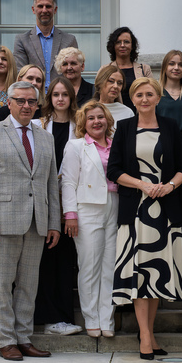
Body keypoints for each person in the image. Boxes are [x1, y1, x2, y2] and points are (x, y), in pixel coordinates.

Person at [0, 81, 60, 362]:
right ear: (8, 103)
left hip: (37, 221)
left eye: (31, 101)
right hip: (2, 221)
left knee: (28, 284)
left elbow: (50, 184)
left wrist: (54, 223)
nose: (26, 106)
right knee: (1, 283)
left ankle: (23, 338)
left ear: (37, 104)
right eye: (20, 101)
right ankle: (7, 340)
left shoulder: (46, 137)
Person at [108, 77, 182, 359]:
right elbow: (114, 170)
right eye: (139, 95)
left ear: (157, 98)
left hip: (164, 212)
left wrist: (169, 186)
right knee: (140, 276)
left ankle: (150, 334)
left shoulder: (169, 127)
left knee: (157, 276)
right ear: (133, 99)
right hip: (136, 213)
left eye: (149, 94)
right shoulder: (125, 128)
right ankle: (144, 337)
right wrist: (142, 184)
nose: (144, 99)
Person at [60, 100, 121, 339]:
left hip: (114, 205)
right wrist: (70, 215)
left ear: (108, 120)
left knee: (110, 267)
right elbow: (68, 182)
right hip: (87, 208)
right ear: (83, 123)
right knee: (89, 266)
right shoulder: (76, 146)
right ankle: (91, 318)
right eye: (91, 118)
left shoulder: (116, 145)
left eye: (100, 117)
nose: (97, 122)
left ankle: (107, 318)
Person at [34, 76, 81, 336]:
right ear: (49, 98)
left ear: (71, 98)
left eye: (65, 94)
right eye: (56, 95)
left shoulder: (81, 126)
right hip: (44, 200)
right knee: (46, 260)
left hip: (72, 201)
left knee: (66, 261)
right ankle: (50, 316)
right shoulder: (37, 126)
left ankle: (65, 317)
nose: (60, 99)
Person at [13, 0, 78, 85]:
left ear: (55, 10)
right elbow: (21, 73)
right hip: (33, 96)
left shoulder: (69, 40)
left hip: (61, 96)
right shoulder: (22, 40)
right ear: (33, 9)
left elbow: (73, 73)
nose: (44, 10)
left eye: (48, 6)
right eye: (40, 6)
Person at [97, 27, 153, 108]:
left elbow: (152, 93)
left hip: (139, 116)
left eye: (126, 42)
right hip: (113, 115)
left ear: (132, 46)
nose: (122, 45)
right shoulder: (104, 69)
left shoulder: (144, 69)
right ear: (113, 45)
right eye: (118, 42)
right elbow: (97, 95)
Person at [156, 49, 182, 133]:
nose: (176, 68)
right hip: (161, 140)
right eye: (171, 64)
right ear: (164, 67)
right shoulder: (155, 93)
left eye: (181, 65)